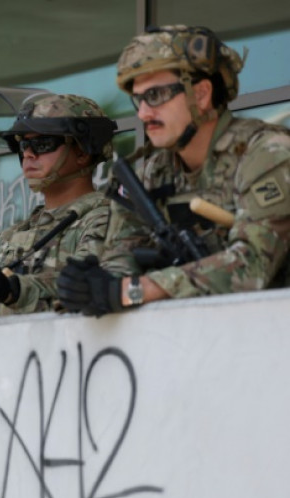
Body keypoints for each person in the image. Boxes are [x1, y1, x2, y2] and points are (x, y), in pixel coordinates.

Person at [57, 25, 290, 315]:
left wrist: (136, 290)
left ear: (201, 94)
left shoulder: (267, 154)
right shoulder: (150, 174)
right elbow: (123, 255)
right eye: (139, 99)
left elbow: (252, 264)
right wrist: (93, 287)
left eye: (156, 95)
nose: (144, 113)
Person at [0, 93, 132, 314]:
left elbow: (84, 288)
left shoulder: (107, 219)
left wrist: (14, 289)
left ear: (82, 152)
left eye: (42, 144)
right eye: (23, 146)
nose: (28, 155)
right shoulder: (13, 234)